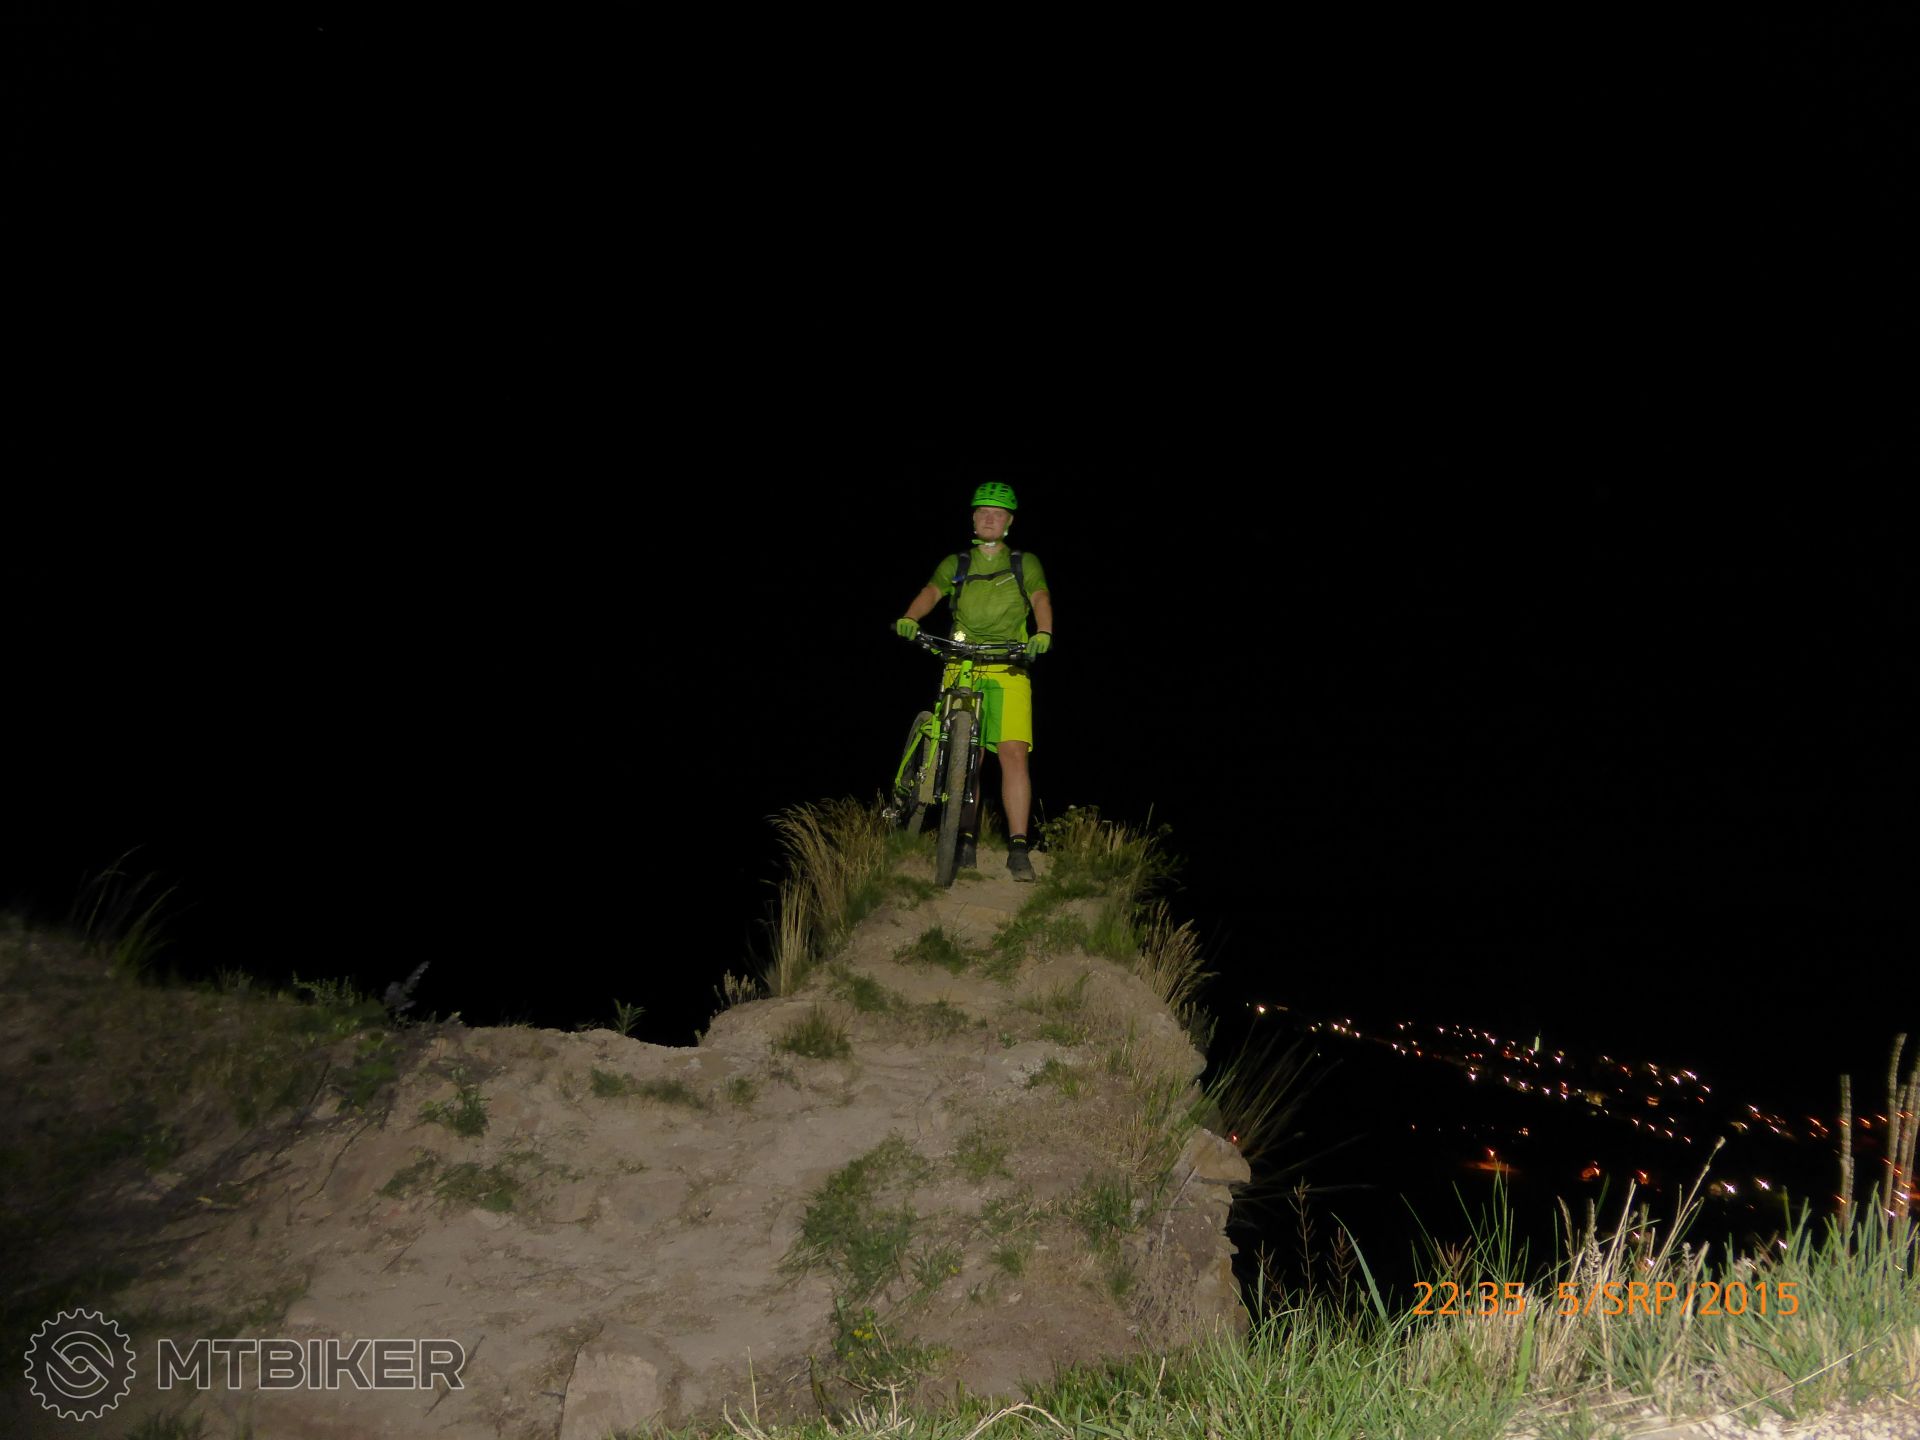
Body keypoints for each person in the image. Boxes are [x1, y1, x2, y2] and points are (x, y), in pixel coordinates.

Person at [893, 482, 1054, 880]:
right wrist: (910, 617)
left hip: (1008, 665)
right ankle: (964, 837)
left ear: (1009, 522)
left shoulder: (1024, 562)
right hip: (961, 662)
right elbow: (932, 591)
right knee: (968, 756)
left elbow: (1039, 597)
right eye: (983, 511)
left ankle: (1018, 847)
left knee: (1013, 753)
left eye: (997, 513)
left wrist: (1043, 632)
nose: (989, 518)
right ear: (973, 518)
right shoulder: (958, 562)